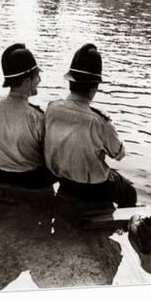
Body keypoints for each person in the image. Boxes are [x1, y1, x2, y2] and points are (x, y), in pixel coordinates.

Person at [44, 43, 137, 207]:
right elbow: (119, 154)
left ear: (70, 82)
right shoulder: (99, 121)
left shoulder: (52, 108)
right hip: (93, 188)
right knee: (129, 190)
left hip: (64, 181)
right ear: (95, 87)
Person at [0, 44, 56, 188]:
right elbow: (49, 156)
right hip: (31, 179)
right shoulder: (37, 116)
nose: (39, 80)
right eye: (36, 76)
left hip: (0, 173)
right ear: (27, 80)